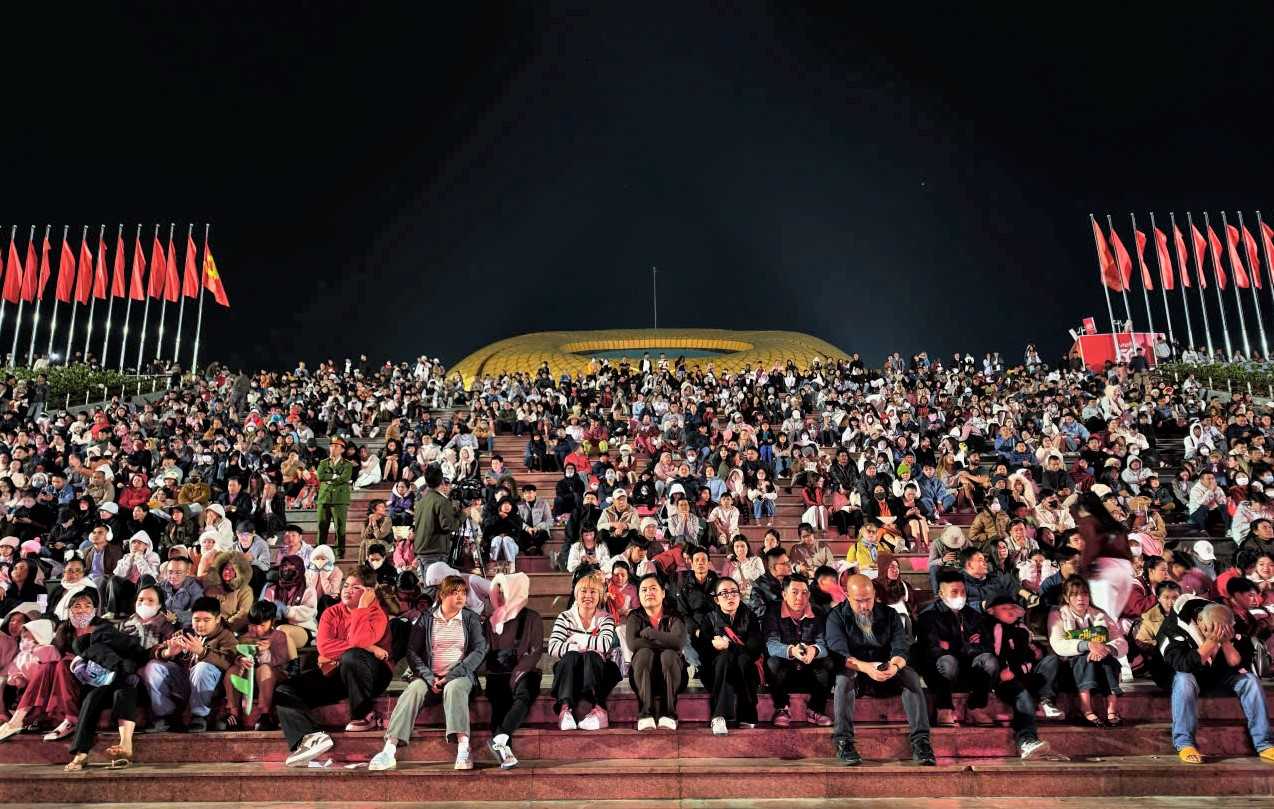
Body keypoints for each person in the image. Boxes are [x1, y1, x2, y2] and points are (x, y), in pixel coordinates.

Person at [277, 566, 394, 767]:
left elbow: (358, 640)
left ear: (369, 591)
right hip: (336, 672)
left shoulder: (376, 614)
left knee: (352, 656)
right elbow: (324, 646)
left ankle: (363, 714)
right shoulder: (331, 612)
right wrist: (370, 647)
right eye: (346, 585)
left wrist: (362, 612)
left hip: (372, 673)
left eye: (356, 587)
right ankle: (310, 737)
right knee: (284, 690)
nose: (347, 590)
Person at [369, 573, 486, 771]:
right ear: (442, 595)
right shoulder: (426, 619)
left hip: (460, 677)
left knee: (455, 688)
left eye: (463, 593)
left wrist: (450, 676)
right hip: (428, 676)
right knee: (414, 689)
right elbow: (413, 652)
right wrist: (430, 677)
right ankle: (389, 750)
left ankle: (464, 748)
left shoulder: (471, 619)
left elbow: (479, 650)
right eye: (454, 592)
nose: (460, 597)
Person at [826, 574, 935, 766]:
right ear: (847, 597)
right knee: (843, 679)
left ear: (874, 594)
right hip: (857, 671)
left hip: (886, 670)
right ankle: (844, 742)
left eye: (867, 600)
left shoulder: (890, 615)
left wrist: (894, 666)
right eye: (858, 601)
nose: (864, 606)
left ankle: (921, 742)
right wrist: (866, 667)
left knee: (910, 675)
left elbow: (901, 648)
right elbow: (839, 654)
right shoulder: (836, 617)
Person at [1159, 597, 1274, 765]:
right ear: (1199, 621)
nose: (1218, 631)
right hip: (1185, 676)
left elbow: (1239, 663)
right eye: (1213, 628)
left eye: (1224, 629)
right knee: (1184, 680)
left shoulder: (1229, 622)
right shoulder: (1173, 628)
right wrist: (1211, 641)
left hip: (1219, 675)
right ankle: (1184, 743)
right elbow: (1182, 665)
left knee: (1250, 681)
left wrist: (1226, 641)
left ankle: (1264, 743)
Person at [141, 595, 240, 733]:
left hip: (211, 689)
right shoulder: (186, 633)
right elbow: (153, 651)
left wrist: (202, 652)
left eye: (206, 620)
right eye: (196, 620)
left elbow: (230, 662)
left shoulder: (226, 636)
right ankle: (165, 716)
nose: (200, 625)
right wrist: (167, 653)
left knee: (202, 667)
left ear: (217, 619)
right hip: (186, 684)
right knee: (153, 666)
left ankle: (199, 716)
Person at [916, 569, 998, 726]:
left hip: (967, 666)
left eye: (962, 591)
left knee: (989, 661)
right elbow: (933, 649)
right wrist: (965, 644)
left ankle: (975, 707)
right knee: (948, 662)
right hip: (940, 671)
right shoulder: (929, 616)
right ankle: (943, 708)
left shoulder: (973, 615)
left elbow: (986, 645)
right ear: (941, 593)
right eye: (954, 592)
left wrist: (951, 645)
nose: (960, 595)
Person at [979, 594, 1055, 758]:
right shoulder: (991, 628)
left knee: (1051, 661)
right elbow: (992, 655)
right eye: (1004, 608)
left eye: (1012, 608)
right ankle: (1026, 740)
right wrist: (1007, 671)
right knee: (1022, 695)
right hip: (1002, 680)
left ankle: (1046, 699)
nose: (1010, 612)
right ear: (992, 612)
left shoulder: (1021, 629)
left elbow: (1029, 656)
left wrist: (1036, 653)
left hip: (1022, 673)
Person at [1046, 575, 1126, 727]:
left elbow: (1121, 641)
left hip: (1100, 664)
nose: (1080, 598)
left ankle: (1112, 708)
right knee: (1085, 658)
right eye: (1074, 595)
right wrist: (1087, 645)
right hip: (1069, 669)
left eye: (1084, 594)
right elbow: (1058, 644)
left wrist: (1106, 648)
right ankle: (1086, 708)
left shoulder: (1099, 614)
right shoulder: (1057, 614)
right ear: (1066, 598)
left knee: (1108, 659)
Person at [483, 572, 543, 769]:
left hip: (524, 670)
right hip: (498, 672)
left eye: (504, 591)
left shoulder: (532, 618)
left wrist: (518, 672)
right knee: (499, 703)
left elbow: (535, 650)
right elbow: (485, 651)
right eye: (497, 591)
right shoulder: (491, 620)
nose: (499, 595)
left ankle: (500, 737)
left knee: (524, 694)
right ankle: (504, 751)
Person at [549, 569, 621, 730]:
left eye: (593, 591)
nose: (588, 596)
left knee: (591, 656)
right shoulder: (565, 617)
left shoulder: (606, 618)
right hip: (571, 669)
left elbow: (605, 644)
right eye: (584, 591)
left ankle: (598, 710)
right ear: (576, 594)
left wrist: (579, 639)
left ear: (600, 596)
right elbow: (553, 646)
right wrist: (577, 647)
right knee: (572, 656)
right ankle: (565, 709)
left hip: (598, 669)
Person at [764, 575, 834, 727]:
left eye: (804, 593)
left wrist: (814, 651)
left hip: (809, 669)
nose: (799, 597)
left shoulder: (818, 612)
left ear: (809, 595)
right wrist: (792, 651)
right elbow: (772, 644)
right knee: (772, 662)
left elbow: (824, 643)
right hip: (785, 672)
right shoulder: (773, 612)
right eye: (794, 592)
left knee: (828, 662)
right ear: (784, 594)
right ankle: (782, 708)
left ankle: (815, 709)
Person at [702, 575, 763, 734]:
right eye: (724, 593)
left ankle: (747, 711)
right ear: (716, 600)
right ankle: (719, 716)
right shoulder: (709, 619)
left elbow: (755, 649)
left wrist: (729, 645)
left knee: (743, 659)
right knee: (724, 658)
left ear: (740, 595)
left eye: (733, 592)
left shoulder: (750, 617)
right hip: (717, 672)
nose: (730, 596)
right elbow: (705, 653)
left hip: (745, 669)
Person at [625, 574, 687, 730]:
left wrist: (652, 634)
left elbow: (679, 642)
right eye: (644, 590)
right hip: (643, 676)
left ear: (663, 593)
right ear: (639, 595)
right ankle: (645, 713)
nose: (648, 593)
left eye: (653, 589)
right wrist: (666, 641)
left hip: (673, 675)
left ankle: (669, 714)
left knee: (668, 655)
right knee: (644, 653)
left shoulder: (674, 615)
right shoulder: (635, 616)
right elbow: (633, 644)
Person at [221, 600, 292, 731]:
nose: (257, 629)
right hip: (250, 675)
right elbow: (233, 656)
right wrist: (240, 659)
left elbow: (279, 661)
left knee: (264, 670)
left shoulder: (278, 637)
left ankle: (265, 714)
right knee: (232, 671)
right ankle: (234, 713)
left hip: (273, 675)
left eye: (262, 625)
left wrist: (264, 652)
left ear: (272, 622)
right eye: (253, 625)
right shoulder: (244, 638)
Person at [412, 465, 459, 570]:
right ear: (441, 481)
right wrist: (462, 515)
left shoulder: (421, 502)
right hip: (435, 551)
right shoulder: (442, 501)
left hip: (422, 550)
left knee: (428, 584)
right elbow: (448, 526)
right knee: (435, 585)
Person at [316, 436, 354, 555]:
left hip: (339, 499)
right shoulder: (323, 463)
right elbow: (320, 476)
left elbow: (345, 478)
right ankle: (320, 550)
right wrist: (334, 477)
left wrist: (330, 480)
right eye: (331, 446)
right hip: (324, 498)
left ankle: (339, 551)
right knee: (322, 526)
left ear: (342, 449)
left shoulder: (347, 464)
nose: (333, 448)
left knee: (340, 527)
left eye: (336, 446)